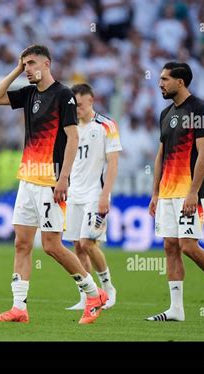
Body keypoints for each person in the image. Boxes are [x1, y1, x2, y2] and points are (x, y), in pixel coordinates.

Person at [0, 45, 108, 324]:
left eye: (31, 63)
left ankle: (93, 293)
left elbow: (73, 138)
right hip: (27, 178)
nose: (27, 68)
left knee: (52, 245)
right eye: (24, 64)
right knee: (21, 243)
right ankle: (19, 308)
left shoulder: (63, 95)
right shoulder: (29, 93)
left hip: (49, 180)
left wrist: (63, 178)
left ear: (47, 64)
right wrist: (16, 69)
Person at [147, 62, 204, 322]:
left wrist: (193, 192)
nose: (160, 83)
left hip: (189, 190)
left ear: (181, 82)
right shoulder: (165, 114)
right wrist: (155, 193)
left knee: (188, 246)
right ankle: (176, 309)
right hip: (166, 191)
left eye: (165, 79)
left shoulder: (200, 110)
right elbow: (160, 155)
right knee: (170, 246)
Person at [63, 83, 121, 310]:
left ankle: (108, 289)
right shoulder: (70, 127)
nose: (75, 109)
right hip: (73, 193)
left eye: (79, 105)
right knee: (77, 246)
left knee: (88, 243)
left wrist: (105, 195)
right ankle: (88, 295)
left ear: (90, 101)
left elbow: (113, 163)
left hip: (95, 194)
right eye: (73, 105)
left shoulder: (107, 125)